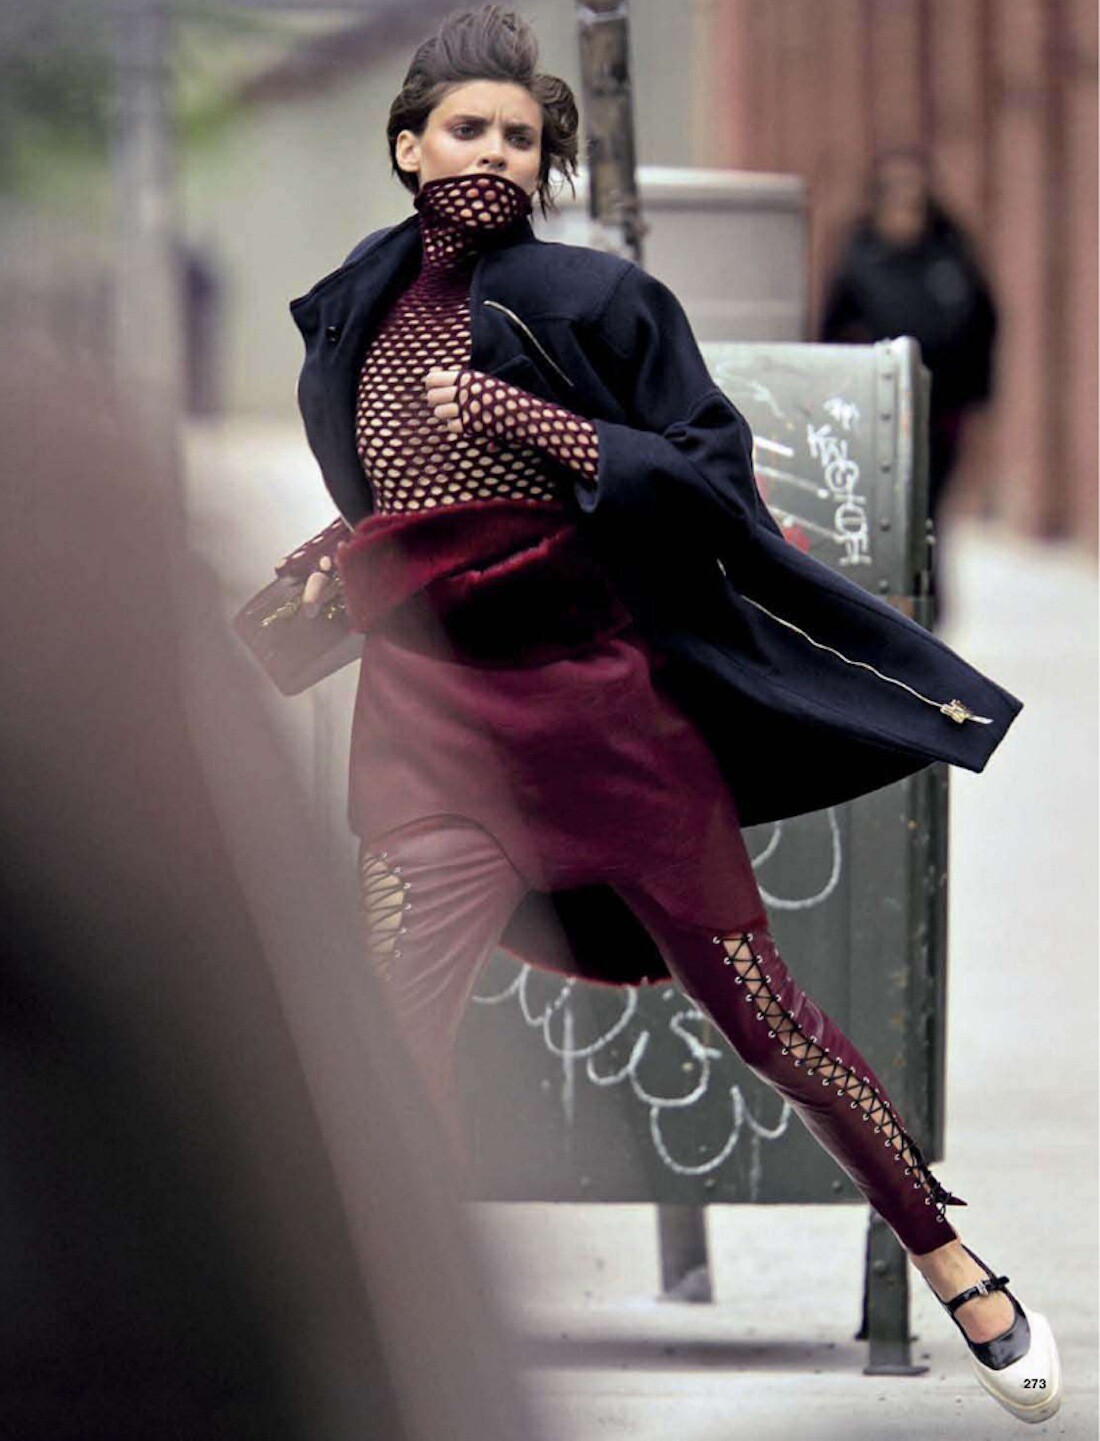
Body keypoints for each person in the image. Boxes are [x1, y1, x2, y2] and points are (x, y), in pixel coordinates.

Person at [280, 7, 1057, 1423]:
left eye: (520, 137)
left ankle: (950, 1260)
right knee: (385, 1040)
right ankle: (409, 1336)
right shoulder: (344, 312)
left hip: (604, 721)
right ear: (406, 146)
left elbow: (709, 481)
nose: (494, 153)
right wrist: (338, 570)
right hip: (428, 724)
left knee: (769, 1024)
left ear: (545, 163)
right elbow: (384, 500)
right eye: (466, 129)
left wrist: (537, 423)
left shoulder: (600, 302)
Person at [821, 151, 998, 620]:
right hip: (877, 413)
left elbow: (985, 323)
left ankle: (927, 610)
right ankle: (893, 607)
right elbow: (829, 333)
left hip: (942, 411)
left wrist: (980, 398)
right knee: (888, 514)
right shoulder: (859, 258)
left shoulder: (951, 254)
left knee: (927, 514)